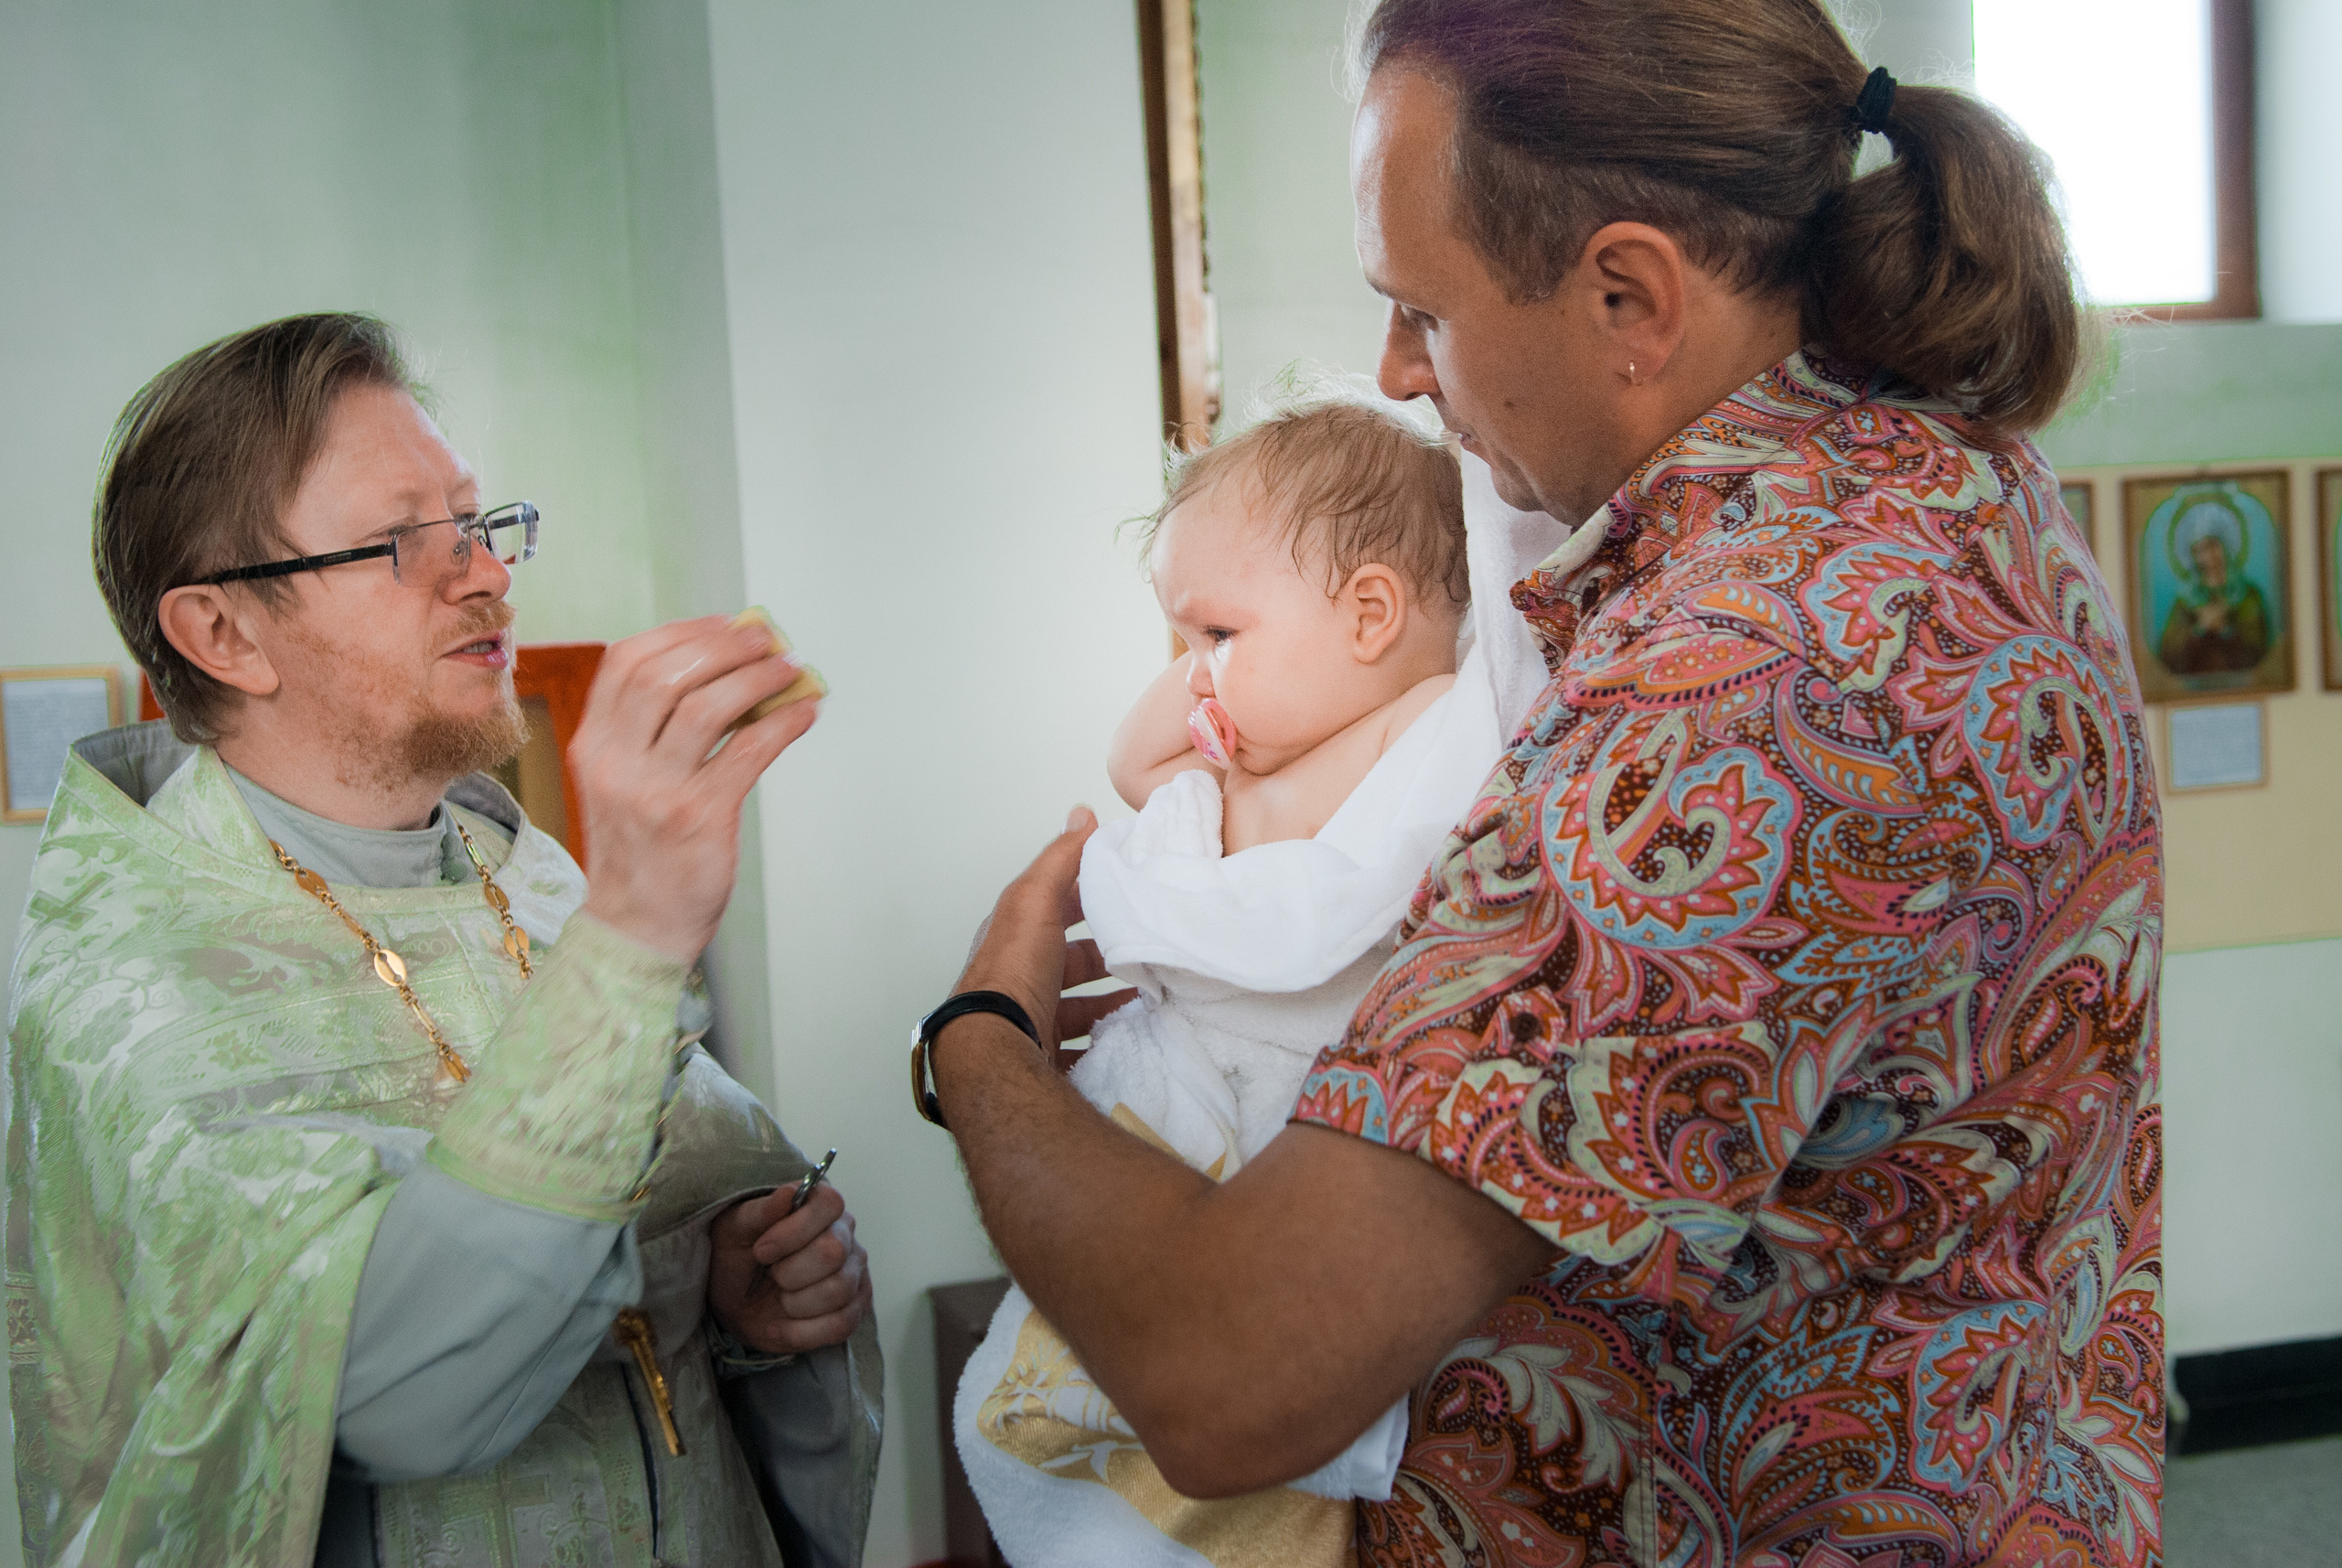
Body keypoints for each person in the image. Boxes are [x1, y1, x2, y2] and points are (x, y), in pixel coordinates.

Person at [916, 4, 2165, 1566]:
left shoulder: (1753, 686)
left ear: (1629, 295)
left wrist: (983, 1043)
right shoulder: (1939, 476)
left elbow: (1233, 1372)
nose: (1393, 368)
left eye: (1420, 314)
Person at [6, 314, 882, 1568]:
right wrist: (638, 928)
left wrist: (732, 1298)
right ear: (224, 634)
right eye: (403, 539)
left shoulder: (513, 866)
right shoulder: (129, 990)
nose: (484, 573)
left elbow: (629, 1240)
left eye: (476, 521)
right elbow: (398, 1398)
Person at [954, 395, 1502, 1566]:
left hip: (1283, 1093)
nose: (1193, 676)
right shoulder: (1230, 772)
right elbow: (1129, 759)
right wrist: (1215, 658)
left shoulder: (1425, 724)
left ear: (1368, 614)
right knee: (1064, 1349)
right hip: (1176, 1066)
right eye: (1182, 641)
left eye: (1217, 635)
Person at [2157, 499, 2271, 674]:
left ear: (2226, 547)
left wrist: (2225, 630)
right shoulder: (2185, 601)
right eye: (2197, 551)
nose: (2206, 557)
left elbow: (2257, 650)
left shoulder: (2248, 595)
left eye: (2212, 547)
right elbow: (2170, 655)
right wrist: (2200, 628)